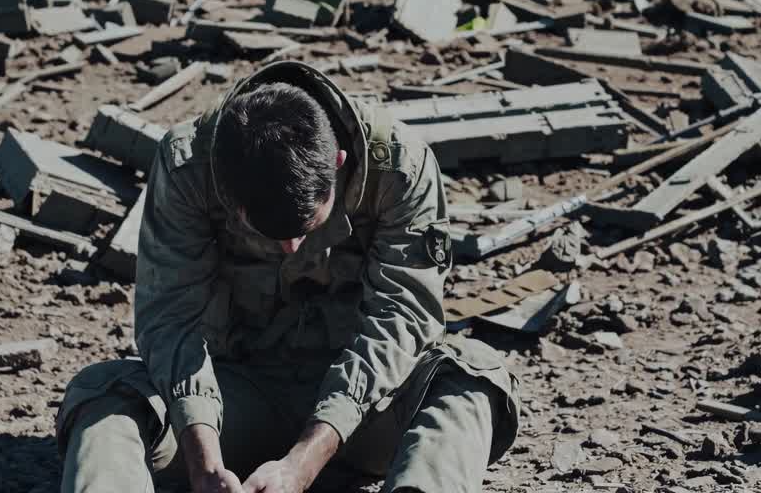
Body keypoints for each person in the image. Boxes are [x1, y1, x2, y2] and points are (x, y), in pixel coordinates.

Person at [55, 61, 520, 493]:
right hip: (234, 395)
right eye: (268, 234)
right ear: (227, 190)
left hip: (369, 409)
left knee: (471, 374)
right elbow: (170, 319)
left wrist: (305, 459)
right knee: (106, 394)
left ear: (337, 164)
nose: (291, 250)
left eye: (306, 228)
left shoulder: (400, 167)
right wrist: (205, 464)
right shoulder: (190, 167)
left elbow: (400, 319)